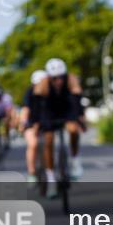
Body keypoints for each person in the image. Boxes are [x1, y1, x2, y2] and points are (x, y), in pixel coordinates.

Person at [34, 58, 85, 198]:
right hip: (49, 112)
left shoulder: (71, 81)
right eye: (55, 78)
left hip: (67, 109)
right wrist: (37, 123)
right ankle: (51, 178)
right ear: (49, 77)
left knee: (73, 130)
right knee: (48, 140)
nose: (58, 81)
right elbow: (38, 108)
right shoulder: (42, 85)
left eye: (61, 77)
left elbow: (76, 103)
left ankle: (74, 160)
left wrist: (79, 118)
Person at [20, 69, 48, 184]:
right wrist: (23, 123)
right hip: (31, 123)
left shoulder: (50, 94)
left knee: (47, 146)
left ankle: (49, 169)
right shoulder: (29, 93)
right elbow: (26, 109)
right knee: (33, 144)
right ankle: (31, 172)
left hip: (46, 123)